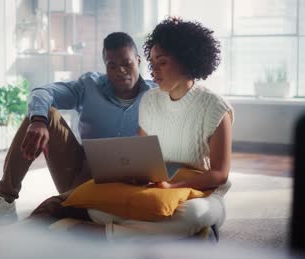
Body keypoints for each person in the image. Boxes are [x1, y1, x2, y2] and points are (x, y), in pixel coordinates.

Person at [0, 32, 157, 226]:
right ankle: (5, 200)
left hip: (131, 185)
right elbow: (43, 92)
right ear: (105, 66)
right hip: (81, 177)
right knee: (46, 114)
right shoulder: (90, 86)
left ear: (138, 61)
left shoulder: (157, 96)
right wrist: (38, 120)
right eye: (112, 65)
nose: (120, 71)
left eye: (126, 63)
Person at [87, 17, 234, 241]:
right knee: (97, 210)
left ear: (186, 61)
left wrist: (174, 185)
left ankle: (108, 235)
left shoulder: (215, 107)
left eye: (162, 62)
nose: (153, 70)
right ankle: (180, 237)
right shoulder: (149, 101)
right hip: (159, 188)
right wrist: (137, 177)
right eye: (152, 63)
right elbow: (142, 157)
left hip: (202, 193)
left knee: (192, 215)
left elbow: (219, 174)